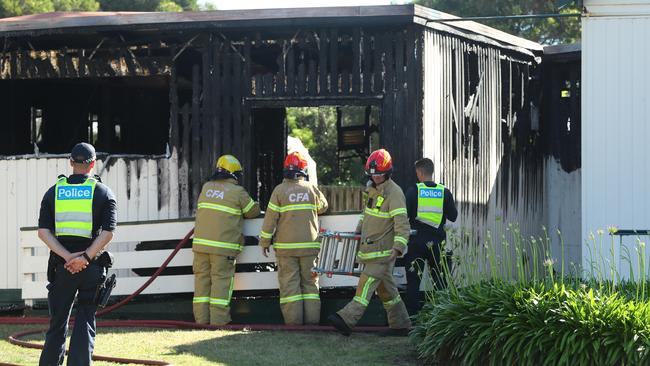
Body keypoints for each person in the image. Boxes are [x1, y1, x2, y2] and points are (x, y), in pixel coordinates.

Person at [38, 142, 117, 366]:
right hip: (91, 267)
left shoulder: (53, 192)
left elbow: (43, 232)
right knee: (85, 318)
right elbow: (108, 233)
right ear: (93, 164)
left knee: (57, 322)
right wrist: (85, 258)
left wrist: (67, 257)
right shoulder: (103, 192)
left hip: (62, 267)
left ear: (71, 162)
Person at [328, 148, 412, 337]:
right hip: (370, 250)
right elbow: (367, 215)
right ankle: (401, 325)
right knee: (387, 292)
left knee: (364, 286)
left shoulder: (395, 193)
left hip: (383, 254)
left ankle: (346, 320)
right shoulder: (372, 191)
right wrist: (357, 230)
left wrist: (398, 247)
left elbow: (402, 224)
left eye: (379, 175)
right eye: (373, 175)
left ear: (388, 173)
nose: (375, 179)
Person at [259, 151, 328, 325]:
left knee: (290, 287)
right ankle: (312, 325)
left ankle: (294, 324)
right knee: (311, 287)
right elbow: (324, 206)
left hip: (286, 249)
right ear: (303, 170)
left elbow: (270, 220)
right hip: (309, 248)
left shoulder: (279, 191)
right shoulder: (311, 189)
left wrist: (265, 241)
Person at [192, 154, 260, 325]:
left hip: (200, 247)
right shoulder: (238, 192)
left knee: (201, 284)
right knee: (221, 285)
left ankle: (201, 321)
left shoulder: (207, 187)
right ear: (234, 174)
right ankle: (218, 322)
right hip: (223, 250)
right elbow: (253, 212)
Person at [404, 158, 457, 315]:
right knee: (440, 283)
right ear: (431, 172)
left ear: (419, 172)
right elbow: (453, 216)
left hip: (416, 243)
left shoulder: (413, 191)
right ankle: (441, 319)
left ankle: (412, 320)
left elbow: (404, 215)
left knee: (413, 283)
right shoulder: (444, 192)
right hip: (437, 243)